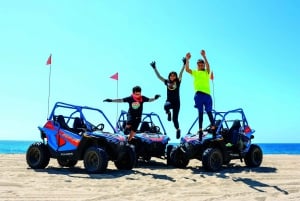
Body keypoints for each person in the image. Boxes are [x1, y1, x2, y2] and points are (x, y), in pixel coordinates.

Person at [149, 58, 185, 139]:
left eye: (174, 75)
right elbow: (159, 77)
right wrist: (155, 68)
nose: (172, 77)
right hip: (169, 101)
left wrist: (184, 65)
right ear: (169, 76)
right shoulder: (167, 82)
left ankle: (178, 129)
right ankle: (168, 112)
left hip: (177, 103)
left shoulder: (178, 82)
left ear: (175, 77)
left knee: (174, 119)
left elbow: (181, 74)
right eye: (171, 75)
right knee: (166, 106)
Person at [185, 50, 215, 141]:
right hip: (199, 94)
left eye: (202, 64)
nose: (201, 65)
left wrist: (204, 56)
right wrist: (187, 59)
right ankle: (200, 131)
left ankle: (213, 130)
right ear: (197, 65)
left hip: (207, 95)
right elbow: (187, 69)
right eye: (199, 64)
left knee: (209, 112)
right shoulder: (195, 72)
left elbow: (208, 66)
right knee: (200, 113)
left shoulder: (206, 72)